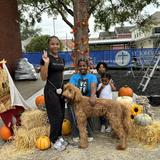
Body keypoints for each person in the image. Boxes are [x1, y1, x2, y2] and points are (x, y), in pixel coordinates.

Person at [40, 36, 68, 151]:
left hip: (60, 91)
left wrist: (64, 89)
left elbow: (61, 75)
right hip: (50, 91)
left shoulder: (62, 60)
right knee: (55, 116)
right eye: (52, 44)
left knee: (61, 114)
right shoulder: (46, 58)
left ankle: (59, 136)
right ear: (49, 45)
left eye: (57, 44)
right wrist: (46, 63)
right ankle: (53, 140)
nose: (55, 46)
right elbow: (43, 77)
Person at [68, 58, 97, 143]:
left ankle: (89, 133)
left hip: (87, 100)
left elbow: (93, 86)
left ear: (87, 66)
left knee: (88, 111)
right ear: (78, 67)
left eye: (84, 65)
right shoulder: (74, 77)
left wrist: (92, 96)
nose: (82, 67)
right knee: (74, 114)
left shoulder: (92, 77)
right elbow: (71, 88)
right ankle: (75, 133)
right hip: (76, 100)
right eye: (80, 66)